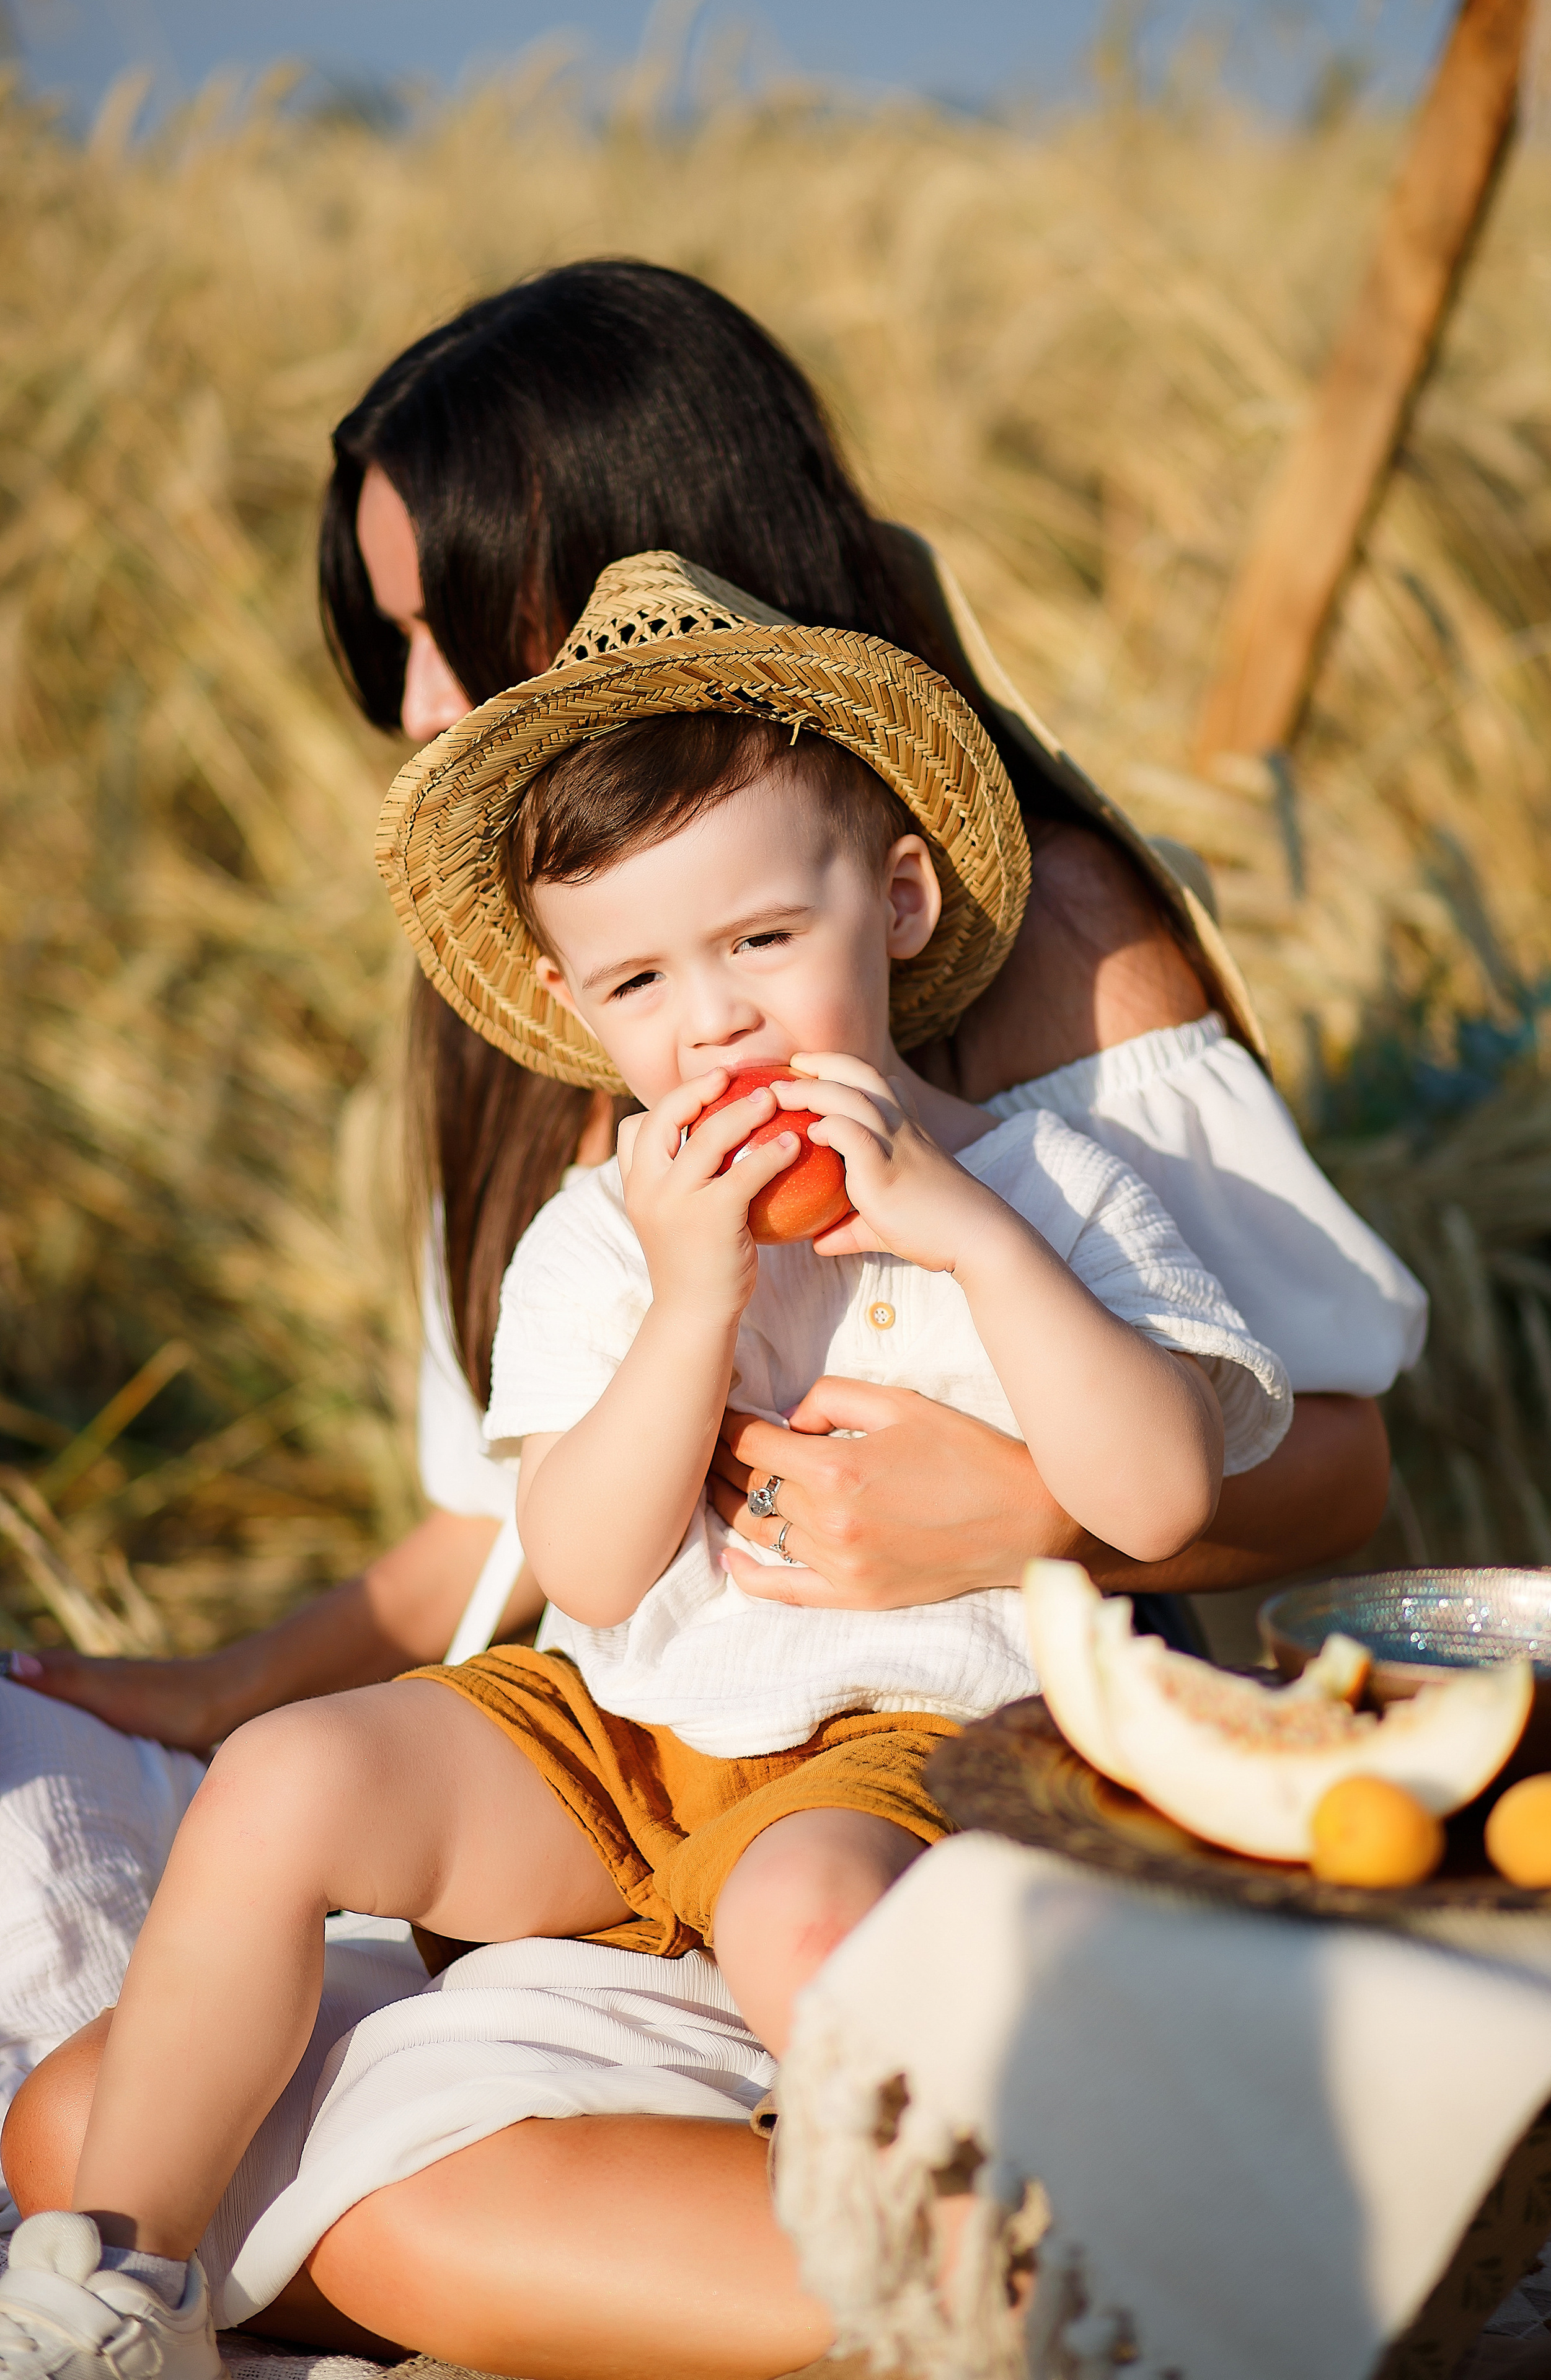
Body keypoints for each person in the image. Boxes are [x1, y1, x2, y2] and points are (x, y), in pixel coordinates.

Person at [2, 262, 1425, 2379]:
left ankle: (1065, 2289)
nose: (412, 710)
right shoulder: (589, 1122)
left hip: (905, 1760)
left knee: (778, 1950)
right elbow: (524, 1550)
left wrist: (996, 1463)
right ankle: (128, 2275)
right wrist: (216, 1682)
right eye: (380, 644)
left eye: (452, 630)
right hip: (609, 1751)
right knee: (82, 2092)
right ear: (577, 982)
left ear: (897, 895)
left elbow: (1278, 1468)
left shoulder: (1043, 1025)